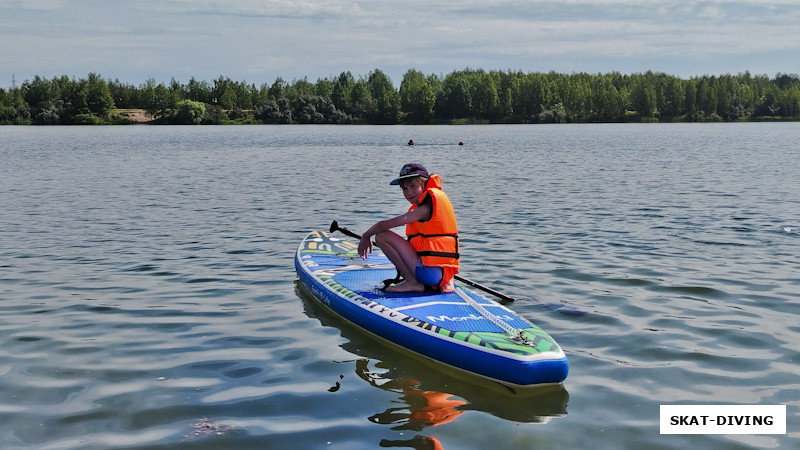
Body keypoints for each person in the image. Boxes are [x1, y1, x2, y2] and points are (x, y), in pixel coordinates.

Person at [358, 163, 459, 293]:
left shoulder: (424, 209)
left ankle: (412, 282)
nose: (408, 192)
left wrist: (366, 236)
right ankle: (446, 281)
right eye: (404, 188)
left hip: (428, 275)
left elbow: (384, 225)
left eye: (413, 186)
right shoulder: (435, 206)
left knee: (381, 235)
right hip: (442, 275)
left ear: (424, 185)